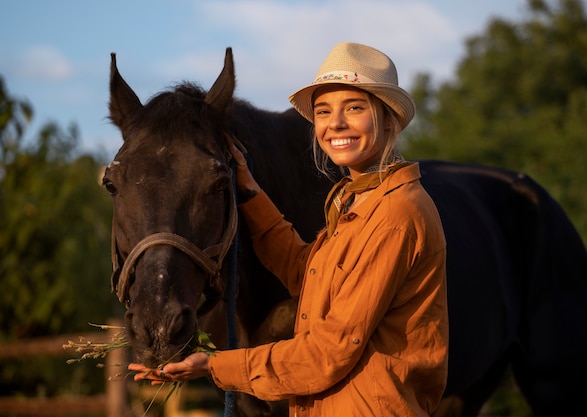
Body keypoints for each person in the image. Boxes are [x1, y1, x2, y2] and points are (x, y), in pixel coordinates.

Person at [129, 42, 449, 417]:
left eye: (355, 108)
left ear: (389, 119)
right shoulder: (356, 200)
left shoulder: (395, 214)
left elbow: (329, 352)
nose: (336, 124)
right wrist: (249, 191)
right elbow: (309, 276)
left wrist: (215, 366)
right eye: (324, 111)